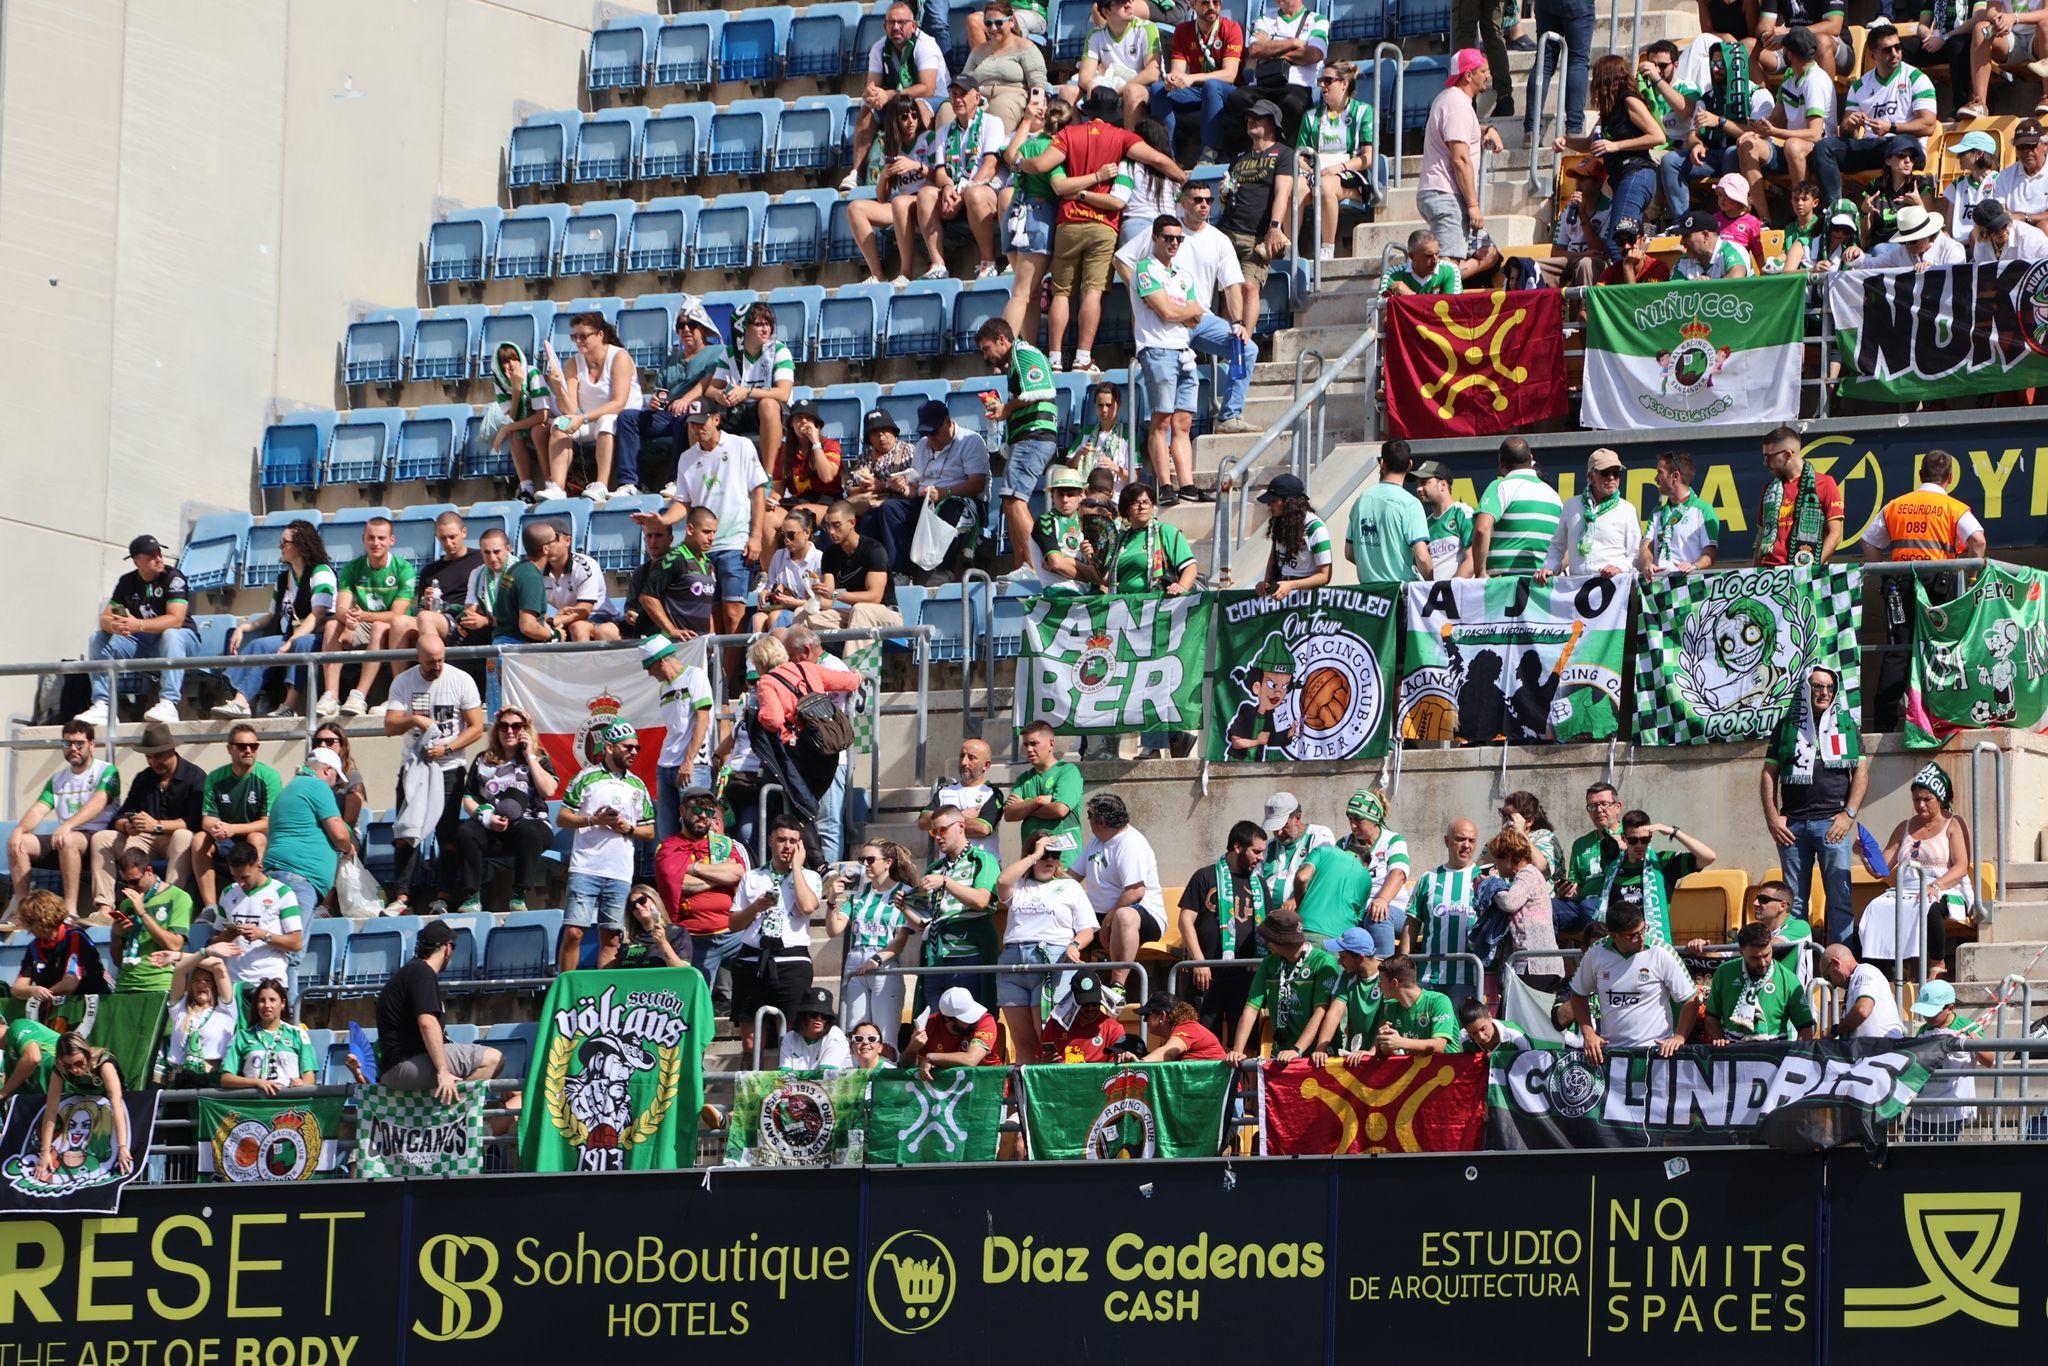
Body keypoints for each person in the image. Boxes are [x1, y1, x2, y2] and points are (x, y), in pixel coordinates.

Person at [1020, 88, 1186, 374]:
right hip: (1104, 223)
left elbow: (1040, 165)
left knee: (1061, 293)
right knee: (1091, 293)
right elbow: (1157, 159)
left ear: (1085, 111)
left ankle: (1056, 359)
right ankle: (1083, 358)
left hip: (1068, 221)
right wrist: (1182, 176)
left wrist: (1020, 162)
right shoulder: (1122, 136)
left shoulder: (1068, 135)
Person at [1114, 181, 1257, 434]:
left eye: (1208, 200)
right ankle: (1165, 448)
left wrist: (1238, 324)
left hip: (1199, 318)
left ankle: (1229, 416)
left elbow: (1233, 285)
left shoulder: (1219, 240)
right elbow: (1121, 259)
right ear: (1183, 202)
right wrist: (1141, 293)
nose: (1204, 205)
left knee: (1246, 349)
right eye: (1197, 200)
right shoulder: (1165, 230)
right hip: (1164, 324)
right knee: (1167, 401)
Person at [1863, 449, 1987, 731]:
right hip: (1938, 588)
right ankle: (1936, 720)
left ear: (1920, 475)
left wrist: (1883, 573)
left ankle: (1882, 724)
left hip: (1899, 586)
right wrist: (1969, 578)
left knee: (1898, 651)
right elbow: (1978, 542)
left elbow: (1869, 542)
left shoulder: (1896, 505)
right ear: (1950, 478)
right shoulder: (1954, 508)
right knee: (1938, 650)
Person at [638, 400, 771, 649]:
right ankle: (715, 677)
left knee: (733, 614)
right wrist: (663, 520)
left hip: (735, 542)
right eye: (692, 424)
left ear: (716, 419)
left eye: (702, 422)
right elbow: (684, 503)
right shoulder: (687, 458)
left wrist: (756, 536)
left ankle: (730, 684)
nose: (697, 429)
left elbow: (758, 492)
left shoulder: (741, 445)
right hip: (702, 550)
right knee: (710, 617)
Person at [1763, 667, 1867, 949]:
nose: (1824, 693)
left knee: (1840, 901)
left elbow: (1861, 772)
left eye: (1830, 688)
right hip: (1793, 827)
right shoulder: (1787, 726)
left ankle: (1840, 970)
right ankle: (1799, 969)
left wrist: (1849, 815)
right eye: (1818, 687)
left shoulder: (1845, 725)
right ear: (1806, 689)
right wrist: (1773, 818)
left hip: (1833, 824)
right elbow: (1769, 773)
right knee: (1792, 904)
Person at [381, 635, 485, 912]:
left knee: (447, 833)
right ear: (418, 658)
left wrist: (448, 747)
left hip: (449, 767)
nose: (436, 666)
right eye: (430, 662)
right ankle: (401, 896)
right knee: (406, 829)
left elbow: (476, 727)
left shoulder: (460, 679)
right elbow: (389, 726)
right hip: (413, 766)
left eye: (440, 660)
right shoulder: (404, 682)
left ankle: (444, 893)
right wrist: (413, 718)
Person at [558, 721, 656, 973]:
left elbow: (650, 831)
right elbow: (562, 818)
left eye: (637, 748)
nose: (634, 752)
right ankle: (566, 989)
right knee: (574, 932)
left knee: (612, 938)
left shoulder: (638, 785)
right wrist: (594, 820)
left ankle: (605, 999)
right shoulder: (586, 777)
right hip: (585, 867)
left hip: (619, 871)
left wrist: (629, 828)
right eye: (628, 747)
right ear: (610, 747)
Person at [1861, 763, 1975, 978]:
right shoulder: (1904, 826)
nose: (1921, 805)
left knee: (1929, 906)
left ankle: (1937, 963)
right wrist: (1864, 855)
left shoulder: (1953, 823)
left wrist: (1935, 885)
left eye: (1927, 799)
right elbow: (1881, 870)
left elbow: (1960, 867)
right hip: (1906, 889)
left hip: (1946, 888)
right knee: (1875, 907)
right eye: (1916, 800)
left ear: (1939, 798)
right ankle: (1878, 972)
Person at [366, 920, 503, 1099]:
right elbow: (427, 1023)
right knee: (494, 1059)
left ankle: (440, 1110)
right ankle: (452, 1113)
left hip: (394, 1068)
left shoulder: (409, 972)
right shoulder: (422, 973)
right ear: (447, 948)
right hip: (407, 1065)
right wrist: (442, 1071)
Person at [1812, 20, 1938, 209]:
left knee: (1897, 142)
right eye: (1887, 50)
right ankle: (1836, 209)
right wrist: (1850, 124)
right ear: (1873, 54)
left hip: (1907, 147)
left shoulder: (1917, 79)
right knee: (1824, 147)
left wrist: (1892, 127)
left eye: (1897, 47)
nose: (1895, 54)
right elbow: (1848, 134)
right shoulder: (1860, 86)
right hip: (1874, 146)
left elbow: (1928, 125)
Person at [1551, 55, 1664, 264]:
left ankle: (1628, 290)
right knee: (1625, 241)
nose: (1595, 86)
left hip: (1636, 174)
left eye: (1598, 80)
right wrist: (1565, 141)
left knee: (1617, 242)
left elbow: (1657, 136)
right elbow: (1588, 144)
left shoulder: (1629, 100)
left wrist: (1616, 145)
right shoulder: (1608, 113)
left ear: (1608, 79)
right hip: (1623, 178)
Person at [216, 519, 333, 719]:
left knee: (302, 643)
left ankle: (289, 706)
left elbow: (318, 614)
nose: (280, 547)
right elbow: (272, 615)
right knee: (260, 645)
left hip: (320, 637)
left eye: (284, 543)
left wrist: (290, 641)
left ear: (301, 546)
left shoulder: (321, 572)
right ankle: (241, 703)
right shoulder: (283, 578)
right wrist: (243, 628)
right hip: (292, 635)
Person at [998, 833, 1100, 1061]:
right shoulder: (1020, 884)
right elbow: (1002, 882)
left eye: (1055, 855)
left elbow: (1088, 929)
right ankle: (1026, 1096)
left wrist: (1074, 945)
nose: (1050, 860)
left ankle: (1049, 1094)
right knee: (1023, 1042)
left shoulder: (1069, 886)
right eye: (1045, 854)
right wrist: (1035, 855)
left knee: (1049, 1041)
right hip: (1013, 961)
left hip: (1052, 960)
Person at [75, 534, 193, 728]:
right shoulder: (127, 583)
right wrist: (115, 625)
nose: (158, 558)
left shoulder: (173, 577)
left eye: (159, 553)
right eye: (151, 555)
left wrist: (137, 625)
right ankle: (103, 705)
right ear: (137, 561)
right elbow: (106, 617)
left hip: (182, 640)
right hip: (145, 642)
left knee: (170, 634)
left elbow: (176, 619)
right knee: (98, 638)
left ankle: (169, 702)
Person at [974, 320, 1065, 571]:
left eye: (986, 348)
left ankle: (1035, 565)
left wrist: (1006, 409)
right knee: (1008, 501)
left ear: (1003, 339)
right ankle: (1020, 565)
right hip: (1027, 438)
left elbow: (1039, 390)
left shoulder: (1025, 353)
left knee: (1015, 500)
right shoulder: (1015, 361)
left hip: (1035, 437)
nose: (986, 356)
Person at [450, 705, 559, 914]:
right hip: (493, 825)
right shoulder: (483, 759)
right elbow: (468, 798)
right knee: (465, 832)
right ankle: (472, 896)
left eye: (516, 726)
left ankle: (519, 894)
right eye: (503, 726)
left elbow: (548, 789)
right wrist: (487, 818)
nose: (509, 731)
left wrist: (530, 757)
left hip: (530, 824)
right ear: (496, 730)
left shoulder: (539, 757)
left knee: (529, 831)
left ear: (526, 730)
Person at [87, 720, 202, 918]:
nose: (153, 762)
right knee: (101, 838)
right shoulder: (144, 778)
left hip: (175, 840)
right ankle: (105, 909)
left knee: (183, 836)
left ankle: (170, 901)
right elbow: (120, 816)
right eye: (149, 757)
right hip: (144, 840)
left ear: (172, 750)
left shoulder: (195, 776)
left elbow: (196, 821)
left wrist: (157, 826)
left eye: (158, 756)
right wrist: (127, 826)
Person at [729, 815, 824, 1054]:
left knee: (792, 1035)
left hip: (791, 961)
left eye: (793, 841)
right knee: (751, 1042)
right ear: (771, 840)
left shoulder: (809, 876)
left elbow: (808, 907)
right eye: (782, 839)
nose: (787, 846)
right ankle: (751, 1086)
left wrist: (798, 869)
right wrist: (756, 907)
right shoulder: (753, 877)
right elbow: (733, 924)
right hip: (753, 959)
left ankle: (787, 1088)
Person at [8, 720, 117, 920]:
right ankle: (23, 913)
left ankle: (70, 912)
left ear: (91, 744)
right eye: (67, 744)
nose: (73, 748)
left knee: (69, 839)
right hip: (67, 837)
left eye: (79, 743)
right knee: (19, 843)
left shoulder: (107, 771)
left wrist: (68, 825)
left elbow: (99, 803)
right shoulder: (57, 778)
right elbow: (39, 808)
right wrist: (19, 830)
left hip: (98, 839)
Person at [1131, 216, 1206, 505]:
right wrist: (1181, 309)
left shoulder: (1183, 275)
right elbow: (1166, 312)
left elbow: (1196, 315)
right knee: (1161, 419)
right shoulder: (1145, 268)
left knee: (1183, 422)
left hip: (1183, 350)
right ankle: (1165, 485)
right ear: (1155, 237)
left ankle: (1186, 483)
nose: (1174, 243)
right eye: (1168, 237)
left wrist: (1180, 309)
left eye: (1178, 238)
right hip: (1157, 349)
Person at [1568, 901, 1699, 1062]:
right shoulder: (1595, 953)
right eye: (1633, 935)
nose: (1641, 938)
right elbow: (1578, 995)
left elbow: (1691, 999)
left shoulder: (1661, 952)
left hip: (1656, 1053)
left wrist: (1679, 1037)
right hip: (1612, 1054)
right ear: (1614, 935)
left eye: (1643, 930)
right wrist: (1588, 1034)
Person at [619, 300, 725, 497]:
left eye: (692, 325)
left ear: (703, 329)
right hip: (667, 413)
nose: (686, 329)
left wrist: (685, 400)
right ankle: (630, 483)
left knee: (685, 419)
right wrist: (653, 402)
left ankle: (677, 480)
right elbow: (660, 390)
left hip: (697, 410)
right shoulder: (671, 358)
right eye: (680, 326)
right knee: (627, 418)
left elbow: (707, 381)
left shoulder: (717, 352)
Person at [314, 518, 418, 718]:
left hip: (393, 629)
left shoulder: (404, 569)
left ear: (391, 540)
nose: (376, 543)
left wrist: (364, 616)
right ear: (363, 539)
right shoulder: (352, 568)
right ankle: (331, 697)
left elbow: (397, 614)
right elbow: (340, 609)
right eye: (371, 538)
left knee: (379, 626)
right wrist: (349, 618)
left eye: (381, 538)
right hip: (362, 623)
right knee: (332, 625)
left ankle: (358, 696)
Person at [1417, 51, 1506, 277]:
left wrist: (1488, 130)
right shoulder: (1456, 104)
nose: (1488, 75)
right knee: (1446, 266)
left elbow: (1467, 132)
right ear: (1468, 75)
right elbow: (1460, 158)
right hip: (1447, 195)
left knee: (1488, 252)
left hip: (1444, 193)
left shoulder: (1454, 101)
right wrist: (1473, 205)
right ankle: (1428, 295)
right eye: (1484, 71)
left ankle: (1448, 280)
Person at [1176, 819, 1269, 1030]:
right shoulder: (1204, 877)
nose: (1261, 858)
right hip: (1207, 976)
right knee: (1205, 1041)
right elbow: (1185, 920)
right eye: (1256, 851)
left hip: (1247, 976)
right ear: (1238, 847)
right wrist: (1199, 962)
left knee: (1246, 1045)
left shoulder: (1260, 883)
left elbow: (1267, 928)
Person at [1217, 101, 1298, 341]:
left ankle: (1245, 342)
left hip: (1258, 234)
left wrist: (1275, 227)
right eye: (1249, 116)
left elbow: (1283, 192)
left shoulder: (1284, 153)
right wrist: (1223, 194)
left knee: (1250, 287)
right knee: (1229, 293)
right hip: (1229, 231)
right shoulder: (1240, 157)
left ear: (1272, 123)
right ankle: (1225, 347)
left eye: (1258, 117)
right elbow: (1228, 196)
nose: (1251, 120)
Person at [1292, 789, 1409, 954]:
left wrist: (1382, 899)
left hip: (1390, 907)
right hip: (1354, 910)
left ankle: (1385, 970)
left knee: (1378, 916)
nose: (1353, 826)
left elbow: (1398, 874)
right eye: (1350, 819)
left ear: (1374, 819)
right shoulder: (1343, 844)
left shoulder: (1392, 841)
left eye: (1358, 820)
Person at [848, 1, 949, 192]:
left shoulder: (926, 44)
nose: (896, 27)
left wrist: (889, 94)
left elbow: (927, 87)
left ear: (914, 25)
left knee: (918, 106)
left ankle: (924, 164)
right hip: (898, 101)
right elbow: (872, 85)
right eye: (891, 23)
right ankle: (856, 173)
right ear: (884, 26)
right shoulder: (879, 48)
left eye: (901, 22)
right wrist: (872, 95)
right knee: (867, 111)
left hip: (936, 100)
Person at [186, 724, 280, 917]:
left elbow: (268, 822)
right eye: (242, 746)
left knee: (256, 838)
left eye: (253, 746)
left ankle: (254, 897)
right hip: (225, 838)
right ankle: (210, 908)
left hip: (253, 837)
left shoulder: (268, 777)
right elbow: (207, 820)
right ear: (229, 748)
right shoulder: (215, 777)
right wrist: (218, 828)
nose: (248, 750)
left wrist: (233, 828)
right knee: (199, 840)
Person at [833, 839, 924, 1035]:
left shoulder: (905, 892)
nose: (865, 864)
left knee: (885, 1034)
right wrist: (832, 900)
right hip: (855, 960)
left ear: (888, 862)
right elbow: (834, 929)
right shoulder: (858, 893)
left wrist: (875, 960)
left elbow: (900, 941)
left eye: (870, 859)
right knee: (855, 1033)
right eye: (861, 859)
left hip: (884, 962)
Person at [1225, 909, 1339, 1062]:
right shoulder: (1269, 963)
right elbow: (1251, 1008)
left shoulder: (1323, 962)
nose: (1265, 943)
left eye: (1268, 938)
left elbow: (1320, 1012)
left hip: (1316, 1056)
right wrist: (1237, 1051)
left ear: (1281, 940)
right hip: (1281, 1053)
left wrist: (1297, 1049)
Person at [1071, 793, 1161, 985]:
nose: (1088, 822)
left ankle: (1117, 985)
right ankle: (1070, 989)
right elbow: (1071, 878)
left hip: (1141, 915)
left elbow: (1135, 892)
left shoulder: (1131, 843)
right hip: (1100, 916)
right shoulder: (1096, 842)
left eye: (1090, 817)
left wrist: (1108, 921)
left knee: (1123, 916)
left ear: (1101, 821)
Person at [851, 96, 942, 285]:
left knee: (900, 203)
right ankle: (877, 274)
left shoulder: (928, 138)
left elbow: (940, 177)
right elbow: (882, 198)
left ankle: (905, 272)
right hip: (904, 204)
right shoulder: (893, 148)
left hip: (928, 200)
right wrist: (884, 176)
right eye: (904, 117)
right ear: (895, 120)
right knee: (855, 208)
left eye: (914, 115)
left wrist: (916, 166)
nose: (911, 121)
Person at [1596, 808, 1717, 950]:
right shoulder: (1613, 866)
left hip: (1652, 946)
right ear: (1624, 838)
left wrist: (1674, 832)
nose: (1640, 845)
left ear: (1651, 837)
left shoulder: (1661, 863)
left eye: (1644, 839)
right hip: (1618, 948)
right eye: (1633, 840)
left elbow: (1708, 857)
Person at [1732, 26, 1832, 197]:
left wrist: (1775, 132)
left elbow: (1815, 134)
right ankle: (1764, 217)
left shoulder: (1815, 80)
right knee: (1748, 145)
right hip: (1791, 146)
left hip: (1818, 149)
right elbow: (1775, 120)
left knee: (1792, 146)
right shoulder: (1789, 78)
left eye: (1784, 48)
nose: (1782, 51)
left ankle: (1803, 212)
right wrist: (1756, 131)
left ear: (1790, 54)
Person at [919, 805, 1003, 1007]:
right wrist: (905, 906)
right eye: (933, 832)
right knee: (935, 1024)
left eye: (942, 830)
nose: (937, 837)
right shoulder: (935, 868)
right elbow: (924, 922)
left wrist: (946, 882)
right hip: (936, 956)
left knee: (972, 1021)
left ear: (961, 826)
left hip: (970, 956)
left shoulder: (982, 859)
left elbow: (982, 900)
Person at [1296, 60, 1378, 262]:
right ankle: (1291, 251)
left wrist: (1339, 167)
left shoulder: (1363, 111)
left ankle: (1327, 248)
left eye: (1328, 81)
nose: (1322, 85)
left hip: (1350, 172)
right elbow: (1298, 156)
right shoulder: (1311, 116)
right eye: (1320, 81)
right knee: (1296, 185)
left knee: (1326, 185)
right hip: (1317, 172)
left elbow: (1368, 157)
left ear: (1344, 84)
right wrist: (1310, 170)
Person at [262, 746, 356, 921]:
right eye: (335, 778)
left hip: (279, 875)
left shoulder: (290, 788)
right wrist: (348, 847)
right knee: (292, 944)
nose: (334, 785)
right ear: (328, 770)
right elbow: (340, 835)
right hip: (298, 878)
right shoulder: (317, 786)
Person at [1223, 0, 1329, 152]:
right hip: (1264, 83)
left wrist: (1271, 47)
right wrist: (1294, 42)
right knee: (1237, 98)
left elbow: (1314, 54)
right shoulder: (1264, 19)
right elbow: (1255, 50)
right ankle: (1246, 153)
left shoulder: (1317, 20)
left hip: (1297, 84)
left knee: (1292, 103)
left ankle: (1287, 152)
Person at [706, 303, 793, 478]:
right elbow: (710, 389)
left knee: (767, 405)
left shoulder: (780, 350)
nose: (766, 329)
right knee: (700, 410)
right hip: (739, 410)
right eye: (759, 324)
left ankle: (770, 476)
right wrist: (721, 396)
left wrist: (746, 392)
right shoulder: (730, 353)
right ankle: (704, 475)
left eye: (768, 324)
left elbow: (783, 393)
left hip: (775, 413)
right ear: (743, 328)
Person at [1149, 0, 1243, 160]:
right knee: (1157, 89)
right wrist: (1173, 79)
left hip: (1228, 93)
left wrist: (1191, 78)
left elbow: (1230, 75)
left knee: (1212, 86)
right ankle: (1167, 154)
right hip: (1197, 91)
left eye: (1216, 2)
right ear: (1193, 4)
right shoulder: (1182, 30)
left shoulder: (1232, 28)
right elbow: (1178, 71)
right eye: (1205, 3)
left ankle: (1208, 154)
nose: (1212, 7)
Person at [34, 1037, 133, 1186]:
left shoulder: (104, 1064)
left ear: (87, 1054)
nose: (74, 1070)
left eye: (79, 1063)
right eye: (68, 1066)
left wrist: (123, 1146)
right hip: (86, 1115)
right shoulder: (60, 1070)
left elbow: (116, 1104)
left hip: (115, 1119)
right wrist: (45, 1152)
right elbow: (51, 1112)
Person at [1406, 819, 1481, 1004]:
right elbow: (1412, 923)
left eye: (1471, 841)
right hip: (1428, 977)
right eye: (1461, 839)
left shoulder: (1484, 878)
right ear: (1447, 841)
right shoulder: (1428, 878)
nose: (1466, 846)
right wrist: (1404, 964)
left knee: (1459, 1032)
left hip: (1467, 978)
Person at [1703, 920, 1817, 1042]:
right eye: (1755, 958)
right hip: (1732, 1055)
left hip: (1774, 1055)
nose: (1762, 963)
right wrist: (1719, 1039)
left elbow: (1805, 1028)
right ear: (1741, 952)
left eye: (1766, 955)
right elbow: (1711, 1017)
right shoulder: (1724, 973)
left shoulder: (1788, 979)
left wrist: (1796, 1058)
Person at [216, 842, 304, 1001]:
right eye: (235, 877)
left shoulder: (282, 893)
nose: (240, 883)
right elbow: (214, 941)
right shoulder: (228, 893)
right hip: (234, 984)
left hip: (269, 985)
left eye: (244, 877)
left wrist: (264, 935)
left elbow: (296, 943)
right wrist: (226, 936)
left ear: (259, 865)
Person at [1907, 980, 1993, 1140]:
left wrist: (1975, 1045)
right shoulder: (1924, 1029)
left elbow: (1989, 1061)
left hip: (1951, 1109)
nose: (1927, 1017)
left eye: (1932, 1012)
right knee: (1911, 1151)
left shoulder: (1969, 1027)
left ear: (1950, 1008)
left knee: (1945, 1154)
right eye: (1925, 1012)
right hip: (1923, 1105)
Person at [1539, 448, 1640, 581]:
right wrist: (1550, 567)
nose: (1611, 478)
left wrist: (1620, 567)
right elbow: (1558, 545)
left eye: (1616, 473)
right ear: (1591, 477)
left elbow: (1636, 553)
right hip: (1577, 589)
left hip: (1614, 588)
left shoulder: (1627, 509)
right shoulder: (1571, 505)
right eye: (1605, 472)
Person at [1753, 425, 1842, 567]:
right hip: (1768, 575)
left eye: (1769, 457)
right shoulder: (1769, 488)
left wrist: (1812, 569)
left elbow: (1835, 535)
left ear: (1788, 454)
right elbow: (1761, 536)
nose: (1765, 463)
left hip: (1803, 570)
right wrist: (1754, 575)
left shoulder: (1825, 483)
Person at [1472, 439, 1562, 578]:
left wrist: (1480, 572)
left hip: (1504, 585)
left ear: (1501, 464)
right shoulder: (1554, 495)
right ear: (1531, 459)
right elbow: (1565, 545)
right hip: (1541, 585)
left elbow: (1481, 529)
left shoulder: (1500, 487)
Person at [485, 341, 562, 501]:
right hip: (529, 422)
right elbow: (513, 418)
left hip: (555, 420)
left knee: (536, 431)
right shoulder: (500, 383)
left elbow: (542, 416)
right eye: (505, 361)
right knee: (516, 434)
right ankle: (527, 489)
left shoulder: (532, 373)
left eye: (514, 359)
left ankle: (551, 483)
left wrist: (506, 428)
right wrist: (516, 389)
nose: (511, 364)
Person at [147, 948, 235, 1087]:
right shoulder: (180, 1009)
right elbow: (180, 970)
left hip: (210, 1080)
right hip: (180, 1079)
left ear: (214, 985)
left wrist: (179, 955)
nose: (201, 984)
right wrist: (185, 958)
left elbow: (218, 965)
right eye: (196, 980)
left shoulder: (225, 1010)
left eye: (207, 980)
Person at [1067, 0, 1163, 127]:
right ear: (1106, 12)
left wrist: (1118, 91)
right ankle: (1078, 142)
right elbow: (1084, 76)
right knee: (1068, 92)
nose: (1128, 5)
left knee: (1131, 91)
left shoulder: (1147, 28)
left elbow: (1152, 73)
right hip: (1110, 88)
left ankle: (1130, 144)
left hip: (1140, 88)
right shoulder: (1095, 35)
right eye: (1121, 2)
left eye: (1129, 0)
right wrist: (1091, 86)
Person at [1487, 827, 1564, 979]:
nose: (1496, 864)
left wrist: (1492, 884)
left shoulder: (1527, 873)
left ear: (1508, 858)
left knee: (1523, 1004)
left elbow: (1509, 902)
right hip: (1537, 964)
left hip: (1537, 965)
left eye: (1498, 859)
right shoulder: (1528, 874)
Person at [1005, 721, 1084, 865]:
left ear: (1051, 744)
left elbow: (1059, 809)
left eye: (1034, 743)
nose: (1029, 749)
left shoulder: (1068, 771)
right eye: (1026, 744)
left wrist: (1025, 806)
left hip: (1063, 861)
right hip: (1033, 861)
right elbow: (1009, 814)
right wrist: (1038, 801)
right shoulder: (1024, 778)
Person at [219, 978, 316, 1095]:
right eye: (262, 1000)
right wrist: (257, 1082)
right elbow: (226, 1079)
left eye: (272, 1000)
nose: (267, 1005)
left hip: (289, 1105)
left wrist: (301, 1084)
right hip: (254, 1105)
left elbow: (309, 1077)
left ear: (283, 1004)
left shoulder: (298, 1034)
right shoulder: (242, 1036)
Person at [634, 509, 717, 645]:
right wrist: (672, 631)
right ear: (690, 529)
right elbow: (647, 597)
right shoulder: (673, 559)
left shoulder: (708, 564)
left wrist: (711, 637)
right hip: (677, 645)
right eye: (706, 532)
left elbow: (707, 607)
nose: (711, 537)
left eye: (714, 532)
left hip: (701, 645)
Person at [1301, 926, 1382, 1062]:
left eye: (1343, 957)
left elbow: (1389, 1019)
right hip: (1357, 1055)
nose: (1339, 961)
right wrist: (1320, 1050)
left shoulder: (1388, 976)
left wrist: (1373, 1051)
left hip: (1384, 1054)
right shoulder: (1346, 976)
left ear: (1360, 958)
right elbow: (1334, 1014)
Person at [962, 3, 1047, 131]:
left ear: (1011, 21)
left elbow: (1038, 83)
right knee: (948, 109)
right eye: (988, 23)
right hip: (980, 99)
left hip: (1012, 97)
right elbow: (965, 80)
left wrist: (1036, 109)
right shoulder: (978, 51)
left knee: (999, 108)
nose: (993, 28)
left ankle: (994, 150)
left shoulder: (1025, 47)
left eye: (999, 23)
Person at [13, 890, 109, 1002]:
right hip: (56, 1007)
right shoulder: (34, 946)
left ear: (43, 918)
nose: (25, 927)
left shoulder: (75, 937)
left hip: (87, 1004)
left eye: (28, 921)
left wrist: (43, 994)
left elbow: (70, 983)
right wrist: (32, 991)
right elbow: (17, 988)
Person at [1106, 482, 1199, 595]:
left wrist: (1181, 587)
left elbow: (1190, 567)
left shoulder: (1166, 532)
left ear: (1152, 506)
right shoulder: (1120, 539)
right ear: (1126, 509)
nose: (1142, 507)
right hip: (1124, 606)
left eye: (1146, 502)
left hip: (1157, 606)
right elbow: (1108, 578)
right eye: (1135, 503)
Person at [1557, 781, 1623, 936]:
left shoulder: (1631, 836)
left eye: (1604, 804)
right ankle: (1547, 960)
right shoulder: (1580, 845)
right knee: (1548, 908)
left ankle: (1601, 956)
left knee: (1588, 906)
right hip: (1584, 904)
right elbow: (1577, 886)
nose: (1598, 810)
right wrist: (1567, 891)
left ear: (1618, 807)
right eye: (1592, 806)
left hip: (1617, 903)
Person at [1640, 449, 1720, 577]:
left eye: (1660, 473)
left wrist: (1694, 565)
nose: (1655, 479)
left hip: (1689, 586)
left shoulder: (1703, 510)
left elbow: (1710, 554)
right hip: (1658, 587)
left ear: (1675, 476)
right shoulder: (1657, 513)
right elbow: (1645, 546)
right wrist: (1647, 563)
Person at [412, 512, 486, 648]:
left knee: (426, 619)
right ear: (437, 537)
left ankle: (434, 661)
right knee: (400, 622)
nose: (448, 543)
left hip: (467, 620)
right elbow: (421, 611)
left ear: (464, 532)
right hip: (438, 618)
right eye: (443, 538)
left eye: (452, 537)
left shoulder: (481, 559)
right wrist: (426, 604)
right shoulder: (429, 572)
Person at [1254, 473, 1333, 599]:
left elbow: (1324, 576)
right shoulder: (1281, 522)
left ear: (1289, 502)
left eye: (1273, 501)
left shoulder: (1316, 528)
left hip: (1308, 599)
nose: (1269, 505)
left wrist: (1291, 585)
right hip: (1284, 595)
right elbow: (1273, 558)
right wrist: (1266, 583)